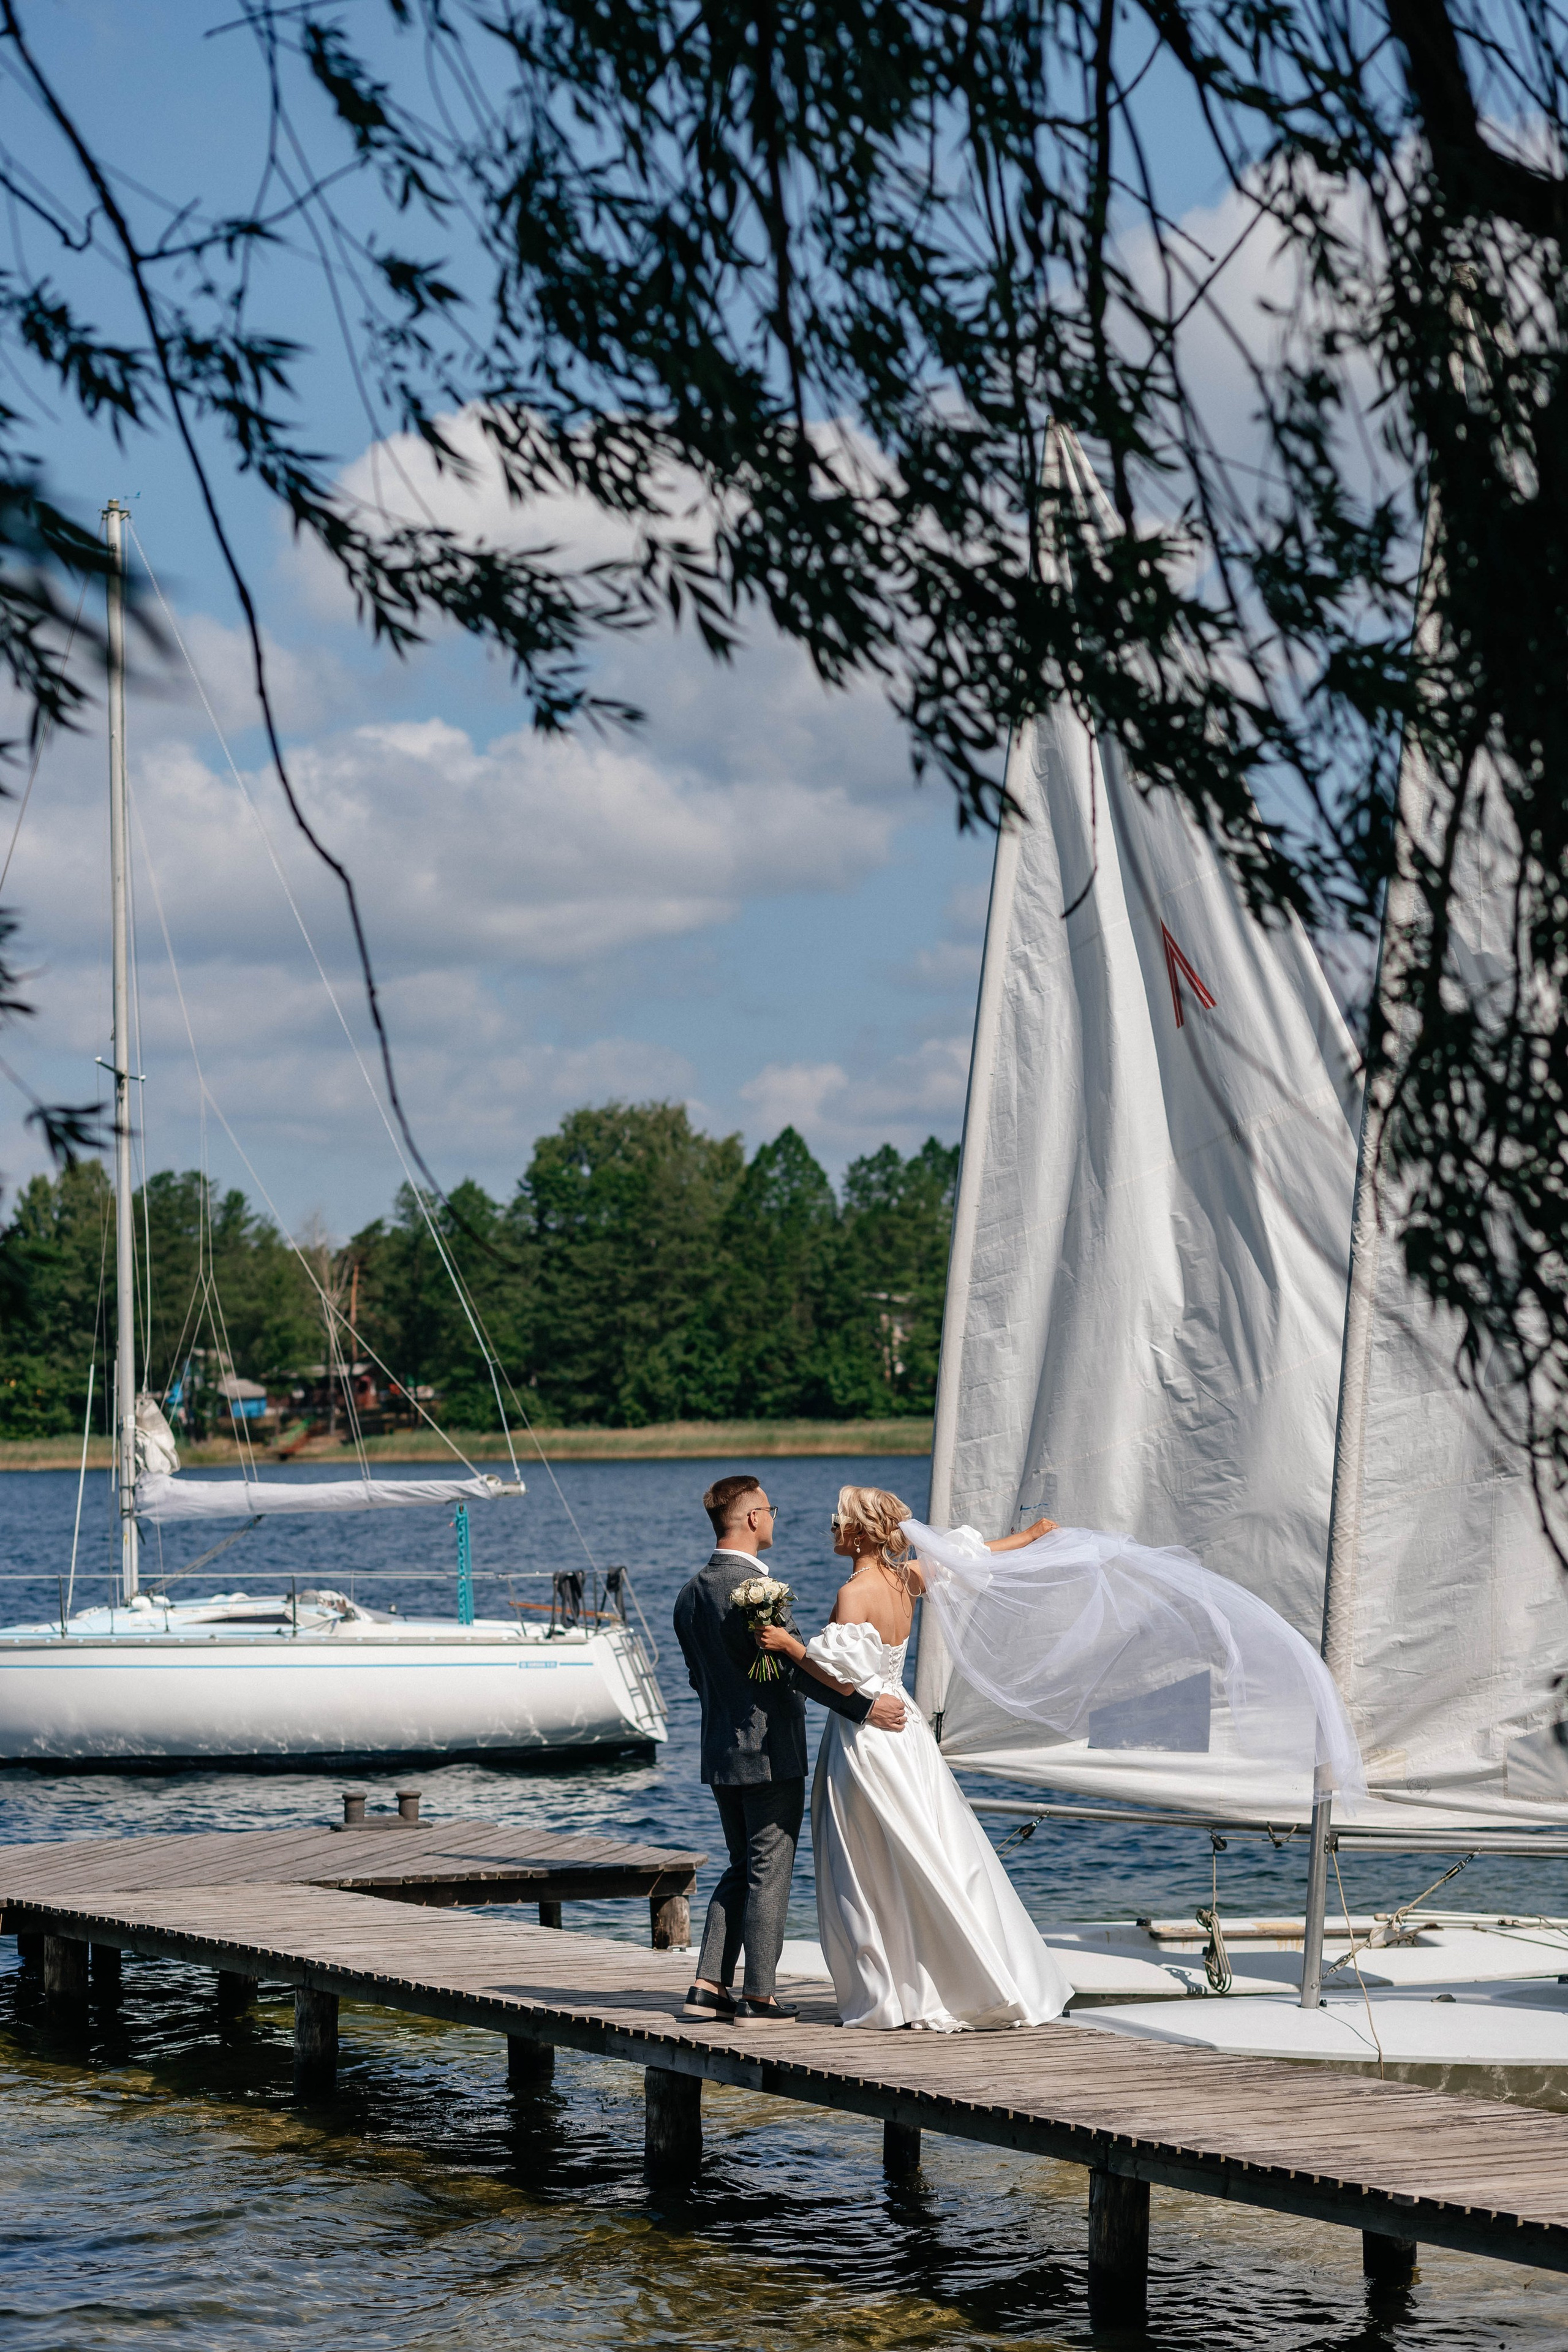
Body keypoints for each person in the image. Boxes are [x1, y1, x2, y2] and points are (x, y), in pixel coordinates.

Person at [755, 1483, 1074, 2032]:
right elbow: (971, 1554)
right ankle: (959, 1974)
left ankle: (892, 1990)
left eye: (839, 1520)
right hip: (906, 1728)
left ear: (859, 1532)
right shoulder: (908, 1579)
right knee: (930, 1846)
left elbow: (837, 1677)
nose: (832, 1528)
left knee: (867, 1862)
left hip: (867, 1740)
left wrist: (790, 1647)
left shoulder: (854, 1593)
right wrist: (1032, 1536)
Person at [673, 1472, 908, 2024]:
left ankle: (708, 1984)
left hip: (718, 1752)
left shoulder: (689, 1595)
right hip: (769, 1751)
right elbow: (801, 1672)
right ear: (753, 1518)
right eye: (770, 1509)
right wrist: (865, 1708)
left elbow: (696, 1678)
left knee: (741, 1865)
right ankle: (759, 1994)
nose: (774, 1518)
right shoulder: (754, 1594)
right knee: (768, 1870)